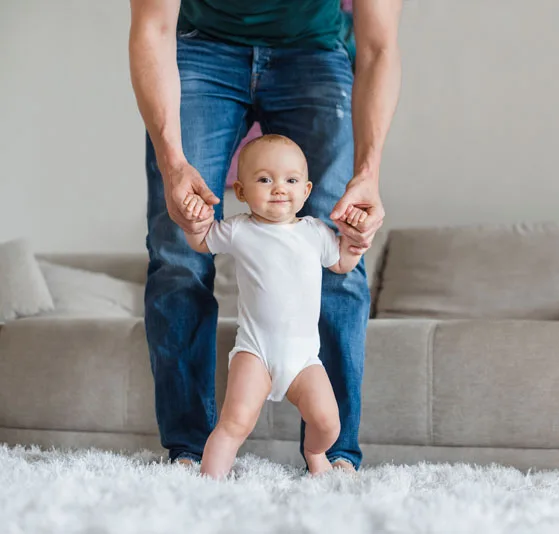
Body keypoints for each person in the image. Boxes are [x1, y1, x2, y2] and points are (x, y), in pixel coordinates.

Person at [128, 0, 402, 472]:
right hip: (202, 49)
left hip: (315, 51)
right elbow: (152, 28)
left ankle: (335, 458)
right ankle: (188, 454)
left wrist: (368, 173)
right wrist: (174, 163)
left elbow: (378, 47)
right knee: (177, 255)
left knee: (342, 246)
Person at [183, 134, 367, 478]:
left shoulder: (315, 232)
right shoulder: (239, 229)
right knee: (234, 423)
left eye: (291, 180)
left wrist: (355, 244)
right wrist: (195, 219)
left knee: (329, 423)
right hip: (255, 352)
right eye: (265, 179)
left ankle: (315, 453)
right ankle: (208, 483)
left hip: (303, 359)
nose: (279, 188)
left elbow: (341, 262)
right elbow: (201, 241)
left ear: (307, 190)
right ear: (240, 192)